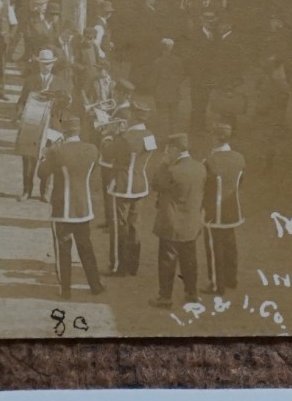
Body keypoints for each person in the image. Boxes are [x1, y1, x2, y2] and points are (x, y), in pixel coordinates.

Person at [39, 127, 106, 301]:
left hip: (62, 208)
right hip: (83, 207)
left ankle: (65, 290)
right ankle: (95, 285)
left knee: (63, 249)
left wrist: (46, 153)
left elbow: (42, 173)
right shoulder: (92, 149)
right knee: (86, 247)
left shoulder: (57, 151)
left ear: (64, 133)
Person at [151, 132, 206, 307]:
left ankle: (165, 297)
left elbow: (155, 183)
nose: (167, 153)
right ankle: (191, 293)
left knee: (167, 261)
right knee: (189, 261)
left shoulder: (171, 171)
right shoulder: (200, 168)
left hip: (171, 224)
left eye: (168, 150)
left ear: (175, 149)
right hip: (191, 224)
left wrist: (163, 164)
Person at [107, 103, 157, 276]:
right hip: (139, 184)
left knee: (120, 226)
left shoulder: (125, 138)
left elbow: (109, 155)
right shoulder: (150, 135)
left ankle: (118, 266)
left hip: (122, 184)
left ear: (134, 117)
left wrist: (112, 136)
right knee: (135, 225)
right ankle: (133, 266)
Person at [202, 124, 246, 295]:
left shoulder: (209, 161)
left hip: (214, 211)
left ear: (216, 138)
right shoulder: (240, 158)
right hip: (233, 209)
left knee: (214, 248)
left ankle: (216, 284)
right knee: (230, 244)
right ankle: (231, 279)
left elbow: (203, 187)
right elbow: (240, 183)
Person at [15, 48, 64, 201]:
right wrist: (19, 116)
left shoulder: (59, 81)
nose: (46, 66)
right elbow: (21, 101)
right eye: (43, 64)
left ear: (53, 64)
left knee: (48, 158)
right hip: (32, 124)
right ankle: (26, 190)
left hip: (52, 125)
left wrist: (61, 102)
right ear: (38, 64)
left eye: (48, 64)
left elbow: (66, 104)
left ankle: (45, 192)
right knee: (28, 158)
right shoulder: (30, 81)